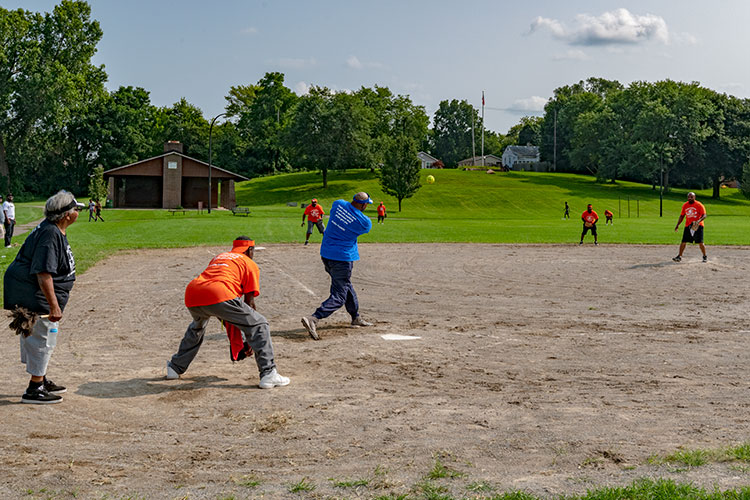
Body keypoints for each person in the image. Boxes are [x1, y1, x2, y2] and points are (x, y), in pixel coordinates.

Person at [166, 237, 290, 389]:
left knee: (197, 327)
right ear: (250, 250)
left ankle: (175, 367)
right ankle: (268, 373)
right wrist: (248, 337)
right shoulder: (249, 263)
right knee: (260, 324)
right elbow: (249, 303)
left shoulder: (219, 257)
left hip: (193, 293)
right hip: (218, 294)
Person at [3, 190, 84, 403]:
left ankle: (41, 376)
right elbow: (43, 272)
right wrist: (54, 306)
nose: (78, 212)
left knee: (41, 335)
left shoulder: (53, 229)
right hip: (32, 290)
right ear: (66, 215)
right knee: (43, 336)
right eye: (75, 209)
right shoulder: (50, 234)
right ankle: (34, 388)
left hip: (31, 288)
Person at [301, 192, 373, 340]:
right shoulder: (365, 222)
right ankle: (314, 318)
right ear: (363, 204)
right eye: (366, 204)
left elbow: (343, 207)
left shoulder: (338, 204)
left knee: (345, 285)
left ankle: (355, 316)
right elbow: (360, 225)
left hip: (326, 254)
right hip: (342, 258)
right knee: (339, 295)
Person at [673, 192, 707, 263]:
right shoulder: (685, 205)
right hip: (688, 225)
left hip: (698, 226)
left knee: (700, 242)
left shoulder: (699, 205)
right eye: (688, 197)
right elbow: (682, 216)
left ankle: (704, 256)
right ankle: (679, 256)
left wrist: (698, 221)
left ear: (694, 197)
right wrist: (677, 224)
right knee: (683, 241)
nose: (690, 198)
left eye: (691, 197)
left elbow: (704, 215)